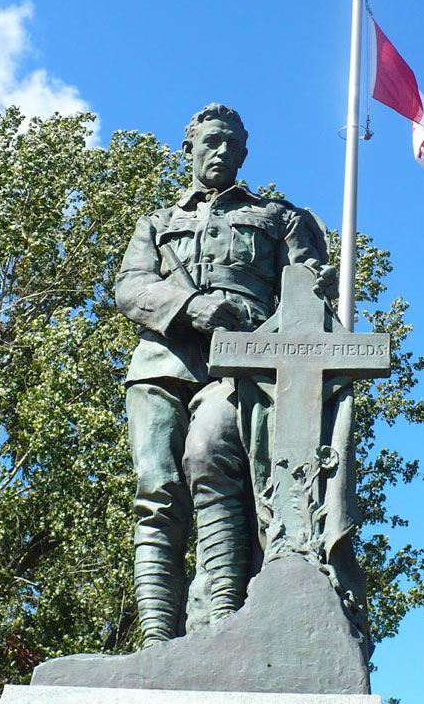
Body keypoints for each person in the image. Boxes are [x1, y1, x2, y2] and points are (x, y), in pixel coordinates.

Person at [115, 103, 337, 645]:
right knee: (157, 492)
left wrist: (315, 285)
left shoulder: (280, 219)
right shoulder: (158, 223)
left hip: (241, 363)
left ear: (243, 153)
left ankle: (225, 623)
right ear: (188, 148)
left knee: (208, 455)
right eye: (208, 141)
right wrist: (188, 305)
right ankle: (156, 639)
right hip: (162, 364)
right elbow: (129, 287)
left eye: (229, 144)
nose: (218, 152)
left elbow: (307, 292)